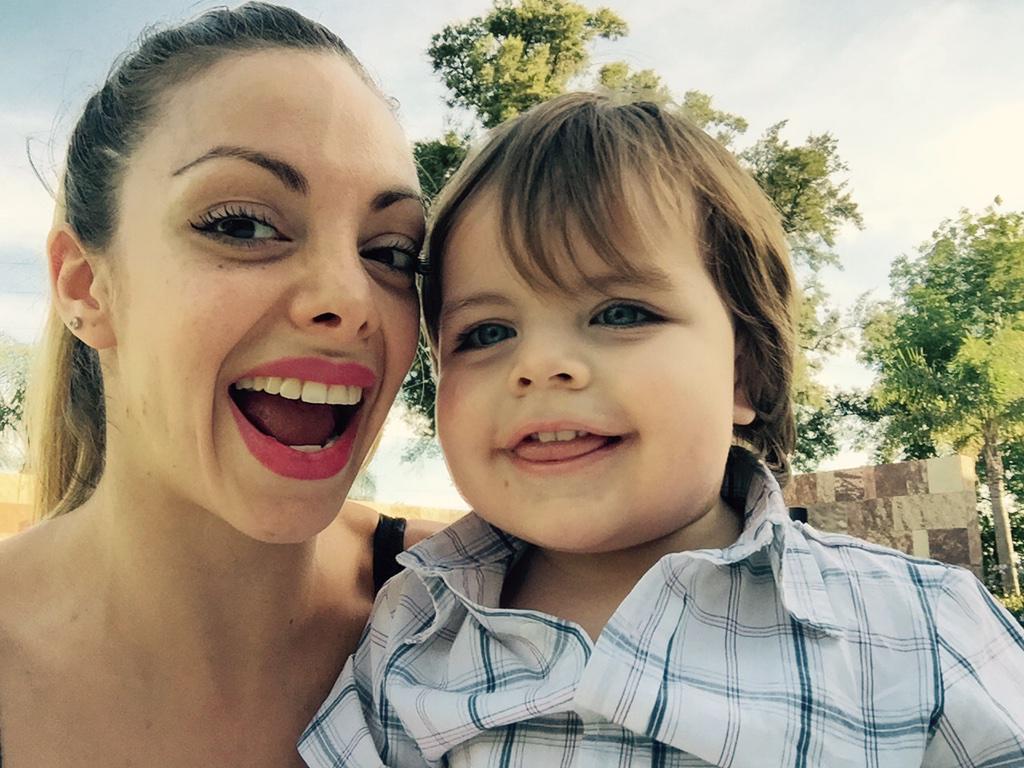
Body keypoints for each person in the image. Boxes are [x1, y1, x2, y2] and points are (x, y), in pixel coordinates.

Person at [300, 93, 1024, 767]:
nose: (539, 364)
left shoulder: (922, 631)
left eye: (620, 314)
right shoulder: (408, 633)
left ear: (745, 374)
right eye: (487, 332)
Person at [0, 4, 437, 766]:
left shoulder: (472, 608)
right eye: (241, 225)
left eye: (391, 252)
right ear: (85, 286)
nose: (350, 298)